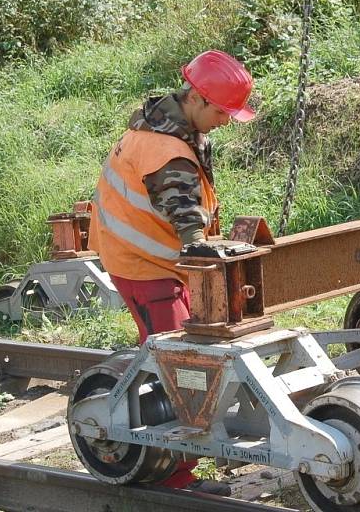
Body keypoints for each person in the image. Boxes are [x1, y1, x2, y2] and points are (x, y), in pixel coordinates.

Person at [88, 49, 255, 492]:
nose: (225, 121)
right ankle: (173, 476)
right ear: (197, 99)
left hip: (157, 262)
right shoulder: (166, 150)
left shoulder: (167, 126)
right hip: (142, 266)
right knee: (179, 367)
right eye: (221, 112)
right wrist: (199, 246)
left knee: (186, 361)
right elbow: (181, 208)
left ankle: (189, 451)